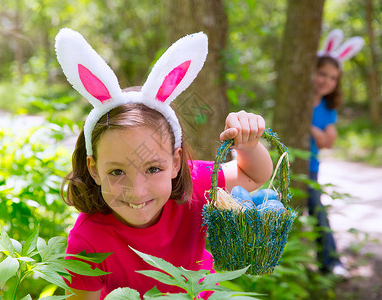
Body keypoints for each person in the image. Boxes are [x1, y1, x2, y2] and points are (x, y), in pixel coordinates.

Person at [55, 28, 273, 299]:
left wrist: (249, 145)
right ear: (93, 169)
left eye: (153, 169)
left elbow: (253, 175)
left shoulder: (197, 185)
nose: (137, 190)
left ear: (175, 162)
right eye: (117, 171)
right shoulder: (88, 239)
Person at [309, 29, 364, 276]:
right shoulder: (302, 98)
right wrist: (317, 132)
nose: (326, 81)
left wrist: (311, 128)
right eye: (322, 74)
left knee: (317, 212)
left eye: (332, 78)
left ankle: (330, 263)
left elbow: (328, 141)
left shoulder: (326, 107)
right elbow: (323, 136)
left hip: (310, 166)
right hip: (284, 162)